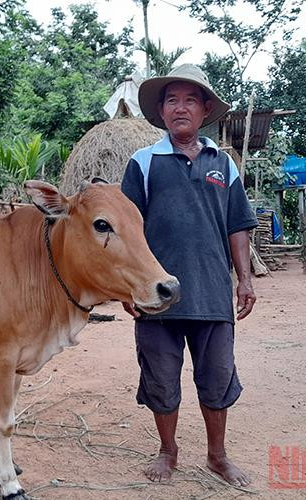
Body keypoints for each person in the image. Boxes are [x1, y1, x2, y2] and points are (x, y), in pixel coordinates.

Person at [121, 64, 257, 487]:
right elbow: (127, 228)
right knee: (160, 378)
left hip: (213, 292)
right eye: (172, 100)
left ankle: (218, 456)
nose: (181, 108)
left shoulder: (225, 165)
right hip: (156, 295)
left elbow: (237, 225)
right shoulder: (142, 163)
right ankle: (168, 450)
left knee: (216, 378)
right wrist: (128, 283)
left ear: (205, 110)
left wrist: (245, 279)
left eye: (190, 100)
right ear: (161, 112)